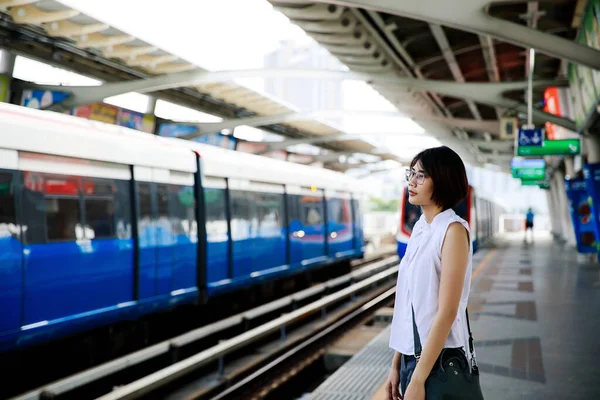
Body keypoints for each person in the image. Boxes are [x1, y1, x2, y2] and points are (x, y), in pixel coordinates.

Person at [385, 146, 473, 400]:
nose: (411, 182)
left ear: (443, 179)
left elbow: (446, 312)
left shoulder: (453, 231)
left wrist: (419, 378)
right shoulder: (422, 228)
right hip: (412, 359)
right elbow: (409, 305)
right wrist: (395, 365)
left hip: (439, 361)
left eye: (421, 176)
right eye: (411, 173)